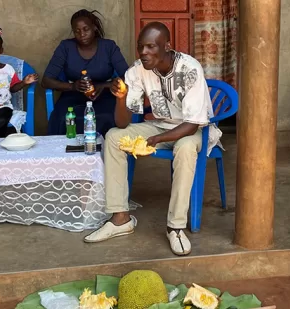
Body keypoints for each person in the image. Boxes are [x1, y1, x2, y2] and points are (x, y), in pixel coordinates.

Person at [83, 22, 222, 257]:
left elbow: (192, 124)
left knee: (186, 147)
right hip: (159, 125)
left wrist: (157, 139)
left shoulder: (189, 69)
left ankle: (175, 227)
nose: (144, 53)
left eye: (151, 47)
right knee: (114, 137)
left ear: (167, 46)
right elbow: (122, 123)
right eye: (141, 47)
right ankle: (120, 219)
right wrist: (121, 98)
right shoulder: (137, 70)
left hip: (193, 130)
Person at [42, 9, 128, 137]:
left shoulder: (108, 47)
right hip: (72, 96)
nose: (81, 34)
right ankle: (65, 155)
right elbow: (46, 81)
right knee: (61, 117)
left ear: (94, 28)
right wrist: (73, 86)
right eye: (77, 31)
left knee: (108, 117)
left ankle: (105, 153)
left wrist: (105, 85)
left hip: (104, 95)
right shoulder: (66, 47)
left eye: (86, 29)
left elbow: (128, 77)